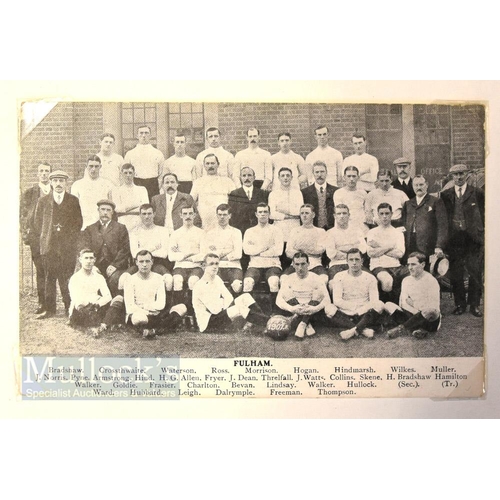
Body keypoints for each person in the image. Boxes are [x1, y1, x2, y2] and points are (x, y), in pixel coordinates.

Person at [33, 170, 83, 319]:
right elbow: (37, 223)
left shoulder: (73, 201)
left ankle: (69, 307)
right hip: (49, 246)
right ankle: (50, 309)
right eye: (55, 181)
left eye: (61, 180)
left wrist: (69, 238)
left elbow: (78, 222)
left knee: (66, 277)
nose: (58, 184)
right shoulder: (43, 202)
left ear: (66, 183)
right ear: (51, 183)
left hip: (67, 247)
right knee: (49, 277)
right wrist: (46, 236)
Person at [440, 164, 484, 317]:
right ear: (451, 176)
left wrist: (481, 234)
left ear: (467, 175)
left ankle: (474, 305)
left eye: (461, 174)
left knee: (475, 271)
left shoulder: (477, 193)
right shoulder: (445, 195)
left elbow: (484, 215)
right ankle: (459, 304)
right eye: (455, 174)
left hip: (473, 239)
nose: (458, 177)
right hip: (455, 240)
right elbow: (443, 218)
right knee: (456, 273)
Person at [192, 253, 269, 333]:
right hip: (208, 323)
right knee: (240, 308)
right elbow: (215, 310)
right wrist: (228, 305)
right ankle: (269, 324)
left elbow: (229, 297)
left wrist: (226, 304)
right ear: (204, 266)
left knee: (245, 296)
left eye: (217, 264)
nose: (215, 267)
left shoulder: (217, 279)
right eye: (211, 264)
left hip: (220, 314)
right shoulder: (199, 286)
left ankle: (266, 323)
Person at [123, 250, 187, 338]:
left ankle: (153, 331)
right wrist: (146, 311)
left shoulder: (159, 278)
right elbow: (130, 307)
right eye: (141, 261)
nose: (144, 264)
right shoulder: (130, 280)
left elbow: (161, 304)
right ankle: (162, 328)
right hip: (139, 313)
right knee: (139, 318)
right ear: (136, 262)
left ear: (152, 262)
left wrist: (146, 306)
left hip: (155, 314)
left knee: (182, 308)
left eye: (147, 261)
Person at [325, 248, 385, 340]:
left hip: (364, 312)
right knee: (329, 308)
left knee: (379, 304)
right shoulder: (339, 276)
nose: (354, 263)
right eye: (351, 260)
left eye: (357, 259)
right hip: (346, 312)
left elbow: (374, 301)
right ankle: (362, 329)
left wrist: (360, 310)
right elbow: (337, 301)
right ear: (347, 261)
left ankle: (352, 331)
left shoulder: (370, 278)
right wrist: (354, 307)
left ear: (362, 261)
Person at [79, 199, 131, 297]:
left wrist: (115, 265)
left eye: (108, 210)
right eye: (102, 209)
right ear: (98, 211)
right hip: (96, 265)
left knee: (114, 279)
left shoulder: (120, 228)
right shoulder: (90, 229)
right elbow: (85, 248)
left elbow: (125, 250)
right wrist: (92, 266)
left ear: (112, 212)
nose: (105, 213)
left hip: (116, 266)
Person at [68, 248, 124, 337]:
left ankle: (103, 325)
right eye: (86, 258)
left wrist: (98, 304)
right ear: (80, 260)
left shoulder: (99, 277)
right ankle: (100, 324)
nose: (89, 261)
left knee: (118, 299)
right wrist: (91, 303)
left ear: (94, 260)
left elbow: (108, 296)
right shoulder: (75, 278)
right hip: (82, 308)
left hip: (97, 306)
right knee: (83, 308)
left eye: (91, 258)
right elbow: (76, 299)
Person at [385, 252, 441, 339]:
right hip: (412, 315)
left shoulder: (431, 281)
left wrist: (414, 304)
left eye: (413, 264)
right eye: (408, 265)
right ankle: (416, 330)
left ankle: (402, 329)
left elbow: (433, 307)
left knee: (431, 311)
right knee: (388, 305)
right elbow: (403, 303)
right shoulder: (406, 280)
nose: (410, 268)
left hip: (428, 319)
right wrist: (416, 312)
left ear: (422, 265)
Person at [276, 252, 330, 340]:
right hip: (295, 310)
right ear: (293, 265)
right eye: (297, 264)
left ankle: (302, 324)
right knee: (287, 293)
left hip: (313, 311)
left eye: (303, 264)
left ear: (308, 264)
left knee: (318, 293)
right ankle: (306, 323)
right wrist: (292, 308)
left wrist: (315, 309)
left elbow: (327, 299)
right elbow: (278, 300)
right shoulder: (289, 279)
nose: (300, 268)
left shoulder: (316, 278)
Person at [21, 161, 52, 313]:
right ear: (38, 174)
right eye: (42, 171)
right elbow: (23, 215)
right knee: (40, 270)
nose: (44, 174)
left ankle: (51, 303)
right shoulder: (30, 192)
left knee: (52, 270)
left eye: (47, 171)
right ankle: (42, 303)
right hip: (36, 238)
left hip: (53, 238)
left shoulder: (55, 191)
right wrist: (26, 234)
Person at [401, 175, 448, 263]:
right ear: (412, 186)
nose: (418, 187)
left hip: (428, 246)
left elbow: (442, 226)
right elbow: (403, 223)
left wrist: (439, 246)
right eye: (416, 185)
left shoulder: (436, 201)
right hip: (410, 244)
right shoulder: (408, 204)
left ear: (426, 185)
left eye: (421, 185)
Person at [127, 204, 173, 291]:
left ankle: (167, 304)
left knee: (169, 280)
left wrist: (142, 249)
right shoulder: (134, 232)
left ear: (154, 214)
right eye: (144, 214)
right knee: (123, 278)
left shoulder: (163, 231)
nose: (147, 217)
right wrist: (153, 248)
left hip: (158, 264)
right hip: (139, 265)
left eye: (149, 213)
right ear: (140, 215)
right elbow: (134, 254)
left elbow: (164, 253)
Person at [366, 203, 407, 299]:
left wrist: (379, 247)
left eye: (387, 213)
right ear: (378, 214)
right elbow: (371, 253)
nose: (384, 216)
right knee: (387, 280)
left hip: (396, 266)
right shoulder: (372, 232)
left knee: (413, 278)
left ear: (391, 214)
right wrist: (390, 247)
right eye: (382, 213)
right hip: (378, 266)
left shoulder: (397, 233)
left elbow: (400, 254)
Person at [242, 203, 283, 298]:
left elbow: (278, 251)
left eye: (265, 212)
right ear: (256, 214)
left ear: (269, 214)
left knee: (274, 281)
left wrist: (257, 251)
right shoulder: (250, 231)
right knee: (247, 282)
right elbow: (247, 250)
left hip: (272, 264)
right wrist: (266, 247)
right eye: (260, 212)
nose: (263, 214)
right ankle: (250, 311)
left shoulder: (276, 230)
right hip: (255, 265)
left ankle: (275, 311)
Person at [200, 204, 243, 294]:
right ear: (216, 216)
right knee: (215, 287)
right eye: (219, 215)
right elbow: (207, 253)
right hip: (216, 266)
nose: (222, 217)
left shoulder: (236, 232)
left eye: (225, 215)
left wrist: (217, 253)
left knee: (237, 285)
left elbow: (238, 254)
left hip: (233, 266)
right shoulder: (210, 233)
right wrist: (229, 251)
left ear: (230, 216)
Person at [168, 205, 205, 310]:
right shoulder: (175, 234)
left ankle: (192, 312)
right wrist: (192, 253)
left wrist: (182, 255)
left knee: (193, 281)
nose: (187, 216)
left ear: (194, 215)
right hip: (180, 267)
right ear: (180, 215)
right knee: (177, 280)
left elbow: (203, 254)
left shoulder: (201, 233)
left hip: (196, 266)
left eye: (190, 213)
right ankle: (178, 312)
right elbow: (171, 256)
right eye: (185, 214)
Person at [325, 204, 367, 288]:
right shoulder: (330, 233)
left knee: (371, 280)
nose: (342, 216)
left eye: (344, 213)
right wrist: (353, 247)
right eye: (339, 214)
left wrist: (340, 249)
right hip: (337, 265)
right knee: (333, 285)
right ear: (335, 216)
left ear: (349, 215)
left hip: (357, 264)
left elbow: (363, 249)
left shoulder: (357, 230)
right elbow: (331, 254)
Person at [190, 154, 236, 230]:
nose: (210, 166)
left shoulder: (227, 181)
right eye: (207, 163)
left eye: (213, 163)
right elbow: (191, 201)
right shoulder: (198, 182)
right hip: (205, 220)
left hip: (223, 219)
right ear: (204, 166)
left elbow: (235, 201)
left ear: (218, 164)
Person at [285, 204, 328, 284]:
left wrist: (300, 249)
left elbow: (319, 250)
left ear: (313, 215)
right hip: (296, 264)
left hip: (315, 264)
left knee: (324, 279)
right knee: (283, 279)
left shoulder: (320, 231)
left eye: (307, 213)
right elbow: (288, 252)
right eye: (302, 213)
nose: (304, 216)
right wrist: (310, 249)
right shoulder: (294, 231)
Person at [70, 155, 114, 229]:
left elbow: (112, 208)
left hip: (102, 227)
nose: (93, 169)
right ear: (86, 166)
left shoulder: (108, 184)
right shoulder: (77, 185)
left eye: (96, 166)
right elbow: (73, 209)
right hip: (84, 226)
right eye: (91, 166)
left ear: (100, 167)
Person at [124, 125, 165, 200]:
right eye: (141, 133)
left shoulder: (158, 153)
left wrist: (157, 187)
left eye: (146, 133)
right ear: (137, 135)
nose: (143, 135)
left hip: (153, 185)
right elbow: (125, 172)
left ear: (150, 135)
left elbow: (161, 173)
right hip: (137, 184)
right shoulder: (130, 154)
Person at [268, 167, 303, 249]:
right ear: (279, 178)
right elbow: (271, 214)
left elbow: (300, 212)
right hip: (280, 229)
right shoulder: (273, 194)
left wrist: (282, 209)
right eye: (283, 176)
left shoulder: (298, 193)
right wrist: (291, 214)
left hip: (294, 228)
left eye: (288, 175)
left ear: (292, 177)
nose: (285, 178)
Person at [228, 167, 269, 236]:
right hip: (241, 231)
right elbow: (232, 216)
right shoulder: (234, 194)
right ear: (240, 178)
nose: (247, 178)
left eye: (249, 175)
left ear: (254, 177)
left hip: (259, 231)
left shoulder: (262, 193)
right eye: (244, 176)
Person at [110, 163, 149, 232]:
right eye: (125, 173)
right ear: (121, 174)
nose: (128, 175)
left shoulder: (142, 189)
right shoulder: (116, 190)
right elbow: (118, 209)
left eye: (130, 173)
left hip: (138, 221)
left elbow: (145, 207)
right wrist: (137, 204)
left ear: (134, 174)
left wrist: (125, 208)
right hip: (123, 221)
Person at [301, 160, 337, 230]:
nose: (319, 175)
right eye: (317, 172)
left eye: (322, 172)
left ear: (326, 173)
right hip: (313, 230)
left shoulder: (335, 191)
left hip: (331, 230)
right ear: (313, 174)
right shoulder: (305, 192)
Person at [333, 166, 368, 235]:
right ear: (344, 177)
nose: (351, 179)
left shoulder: (363, 193)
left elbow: (366, 211)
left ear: (358, 177)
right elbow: (340, 213)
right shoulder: (338, 193)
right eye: (349, 176)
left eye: (354, 176)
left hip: (361, 227)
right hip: (345, 227)